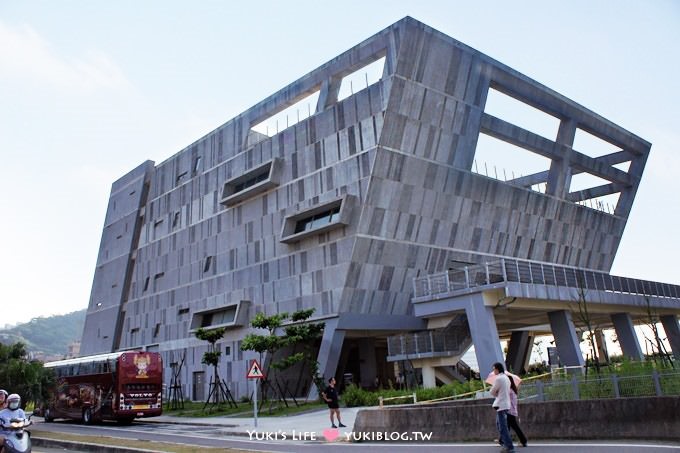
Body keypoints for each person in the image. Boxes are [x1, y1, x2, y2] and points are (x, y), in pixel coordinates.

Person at [490, 362, 515, 453]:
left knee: (502, 427)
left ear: (497, 369)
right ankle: (505, 443)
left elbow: (492, 391)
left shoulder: (499, 379)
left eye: (494, 369)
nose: (493, 371)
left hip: (500, 405)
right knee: (500, 424)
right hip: (506, 404)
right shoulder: (506, 378)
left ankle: (509, 446)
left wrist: (496, 394)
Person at [507, 377, 528, 447]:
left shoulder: (509, 391)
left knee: (514, 427)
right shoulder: (513, 390)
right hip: (512, 411)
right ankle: (501, 440)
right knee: (507, 426)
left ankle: (523, 440)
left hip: (510, 411)